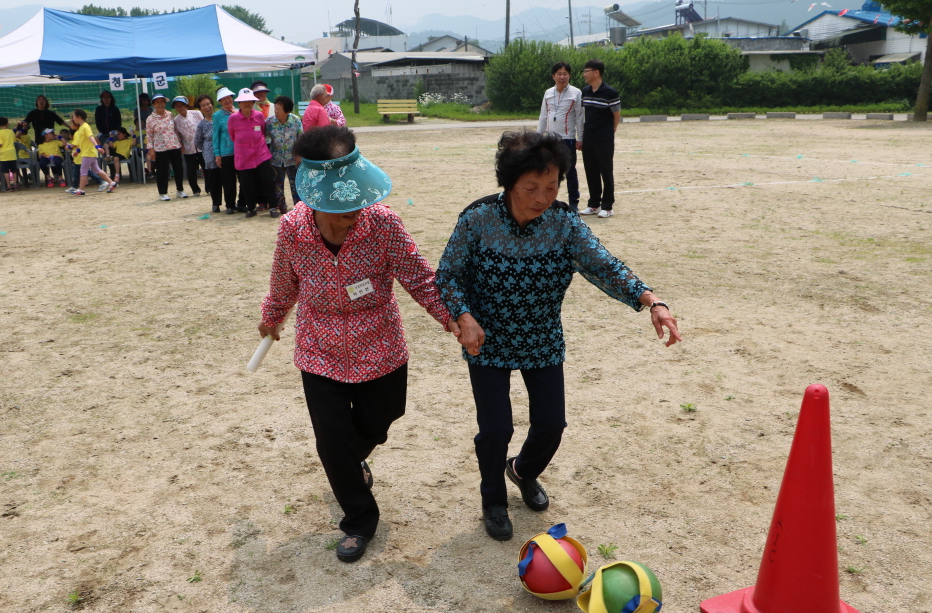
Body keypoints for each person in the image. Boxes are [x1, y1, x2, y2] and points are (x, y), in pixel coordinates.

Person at [435, 130, 681, 541]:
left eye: (551, 187)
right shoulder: (477, 219)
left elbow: (603, 265)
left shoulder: (564, 223)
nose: (541, 197)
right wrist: (463, 315)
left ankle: (522, 470)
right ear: (509, 183)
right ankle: (492, 498)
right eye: (531, 187)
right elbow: (448, 276)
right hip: (486, 340)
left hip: (541, 337)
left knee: (552, 424)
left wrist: (651, 300)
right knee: (495, 429)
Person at [258, 125, 457, 563]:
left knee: (382, 419)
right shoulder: (292, 229)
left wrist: (453, 319)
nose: (355, 211)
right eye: (343, 206)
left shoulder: (383, 223)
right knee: (331, 438)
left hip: (379, 346)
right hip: (319, 349)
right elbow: (283, 283)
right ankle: (358, 518)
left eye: (358, 200)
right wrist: (272, 317)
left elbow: (420, 278)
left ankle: (352, 461)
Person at [537, 61, 583, 211]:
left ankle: (573, 202)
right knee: (549, 171)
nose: (562, 77)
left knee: (570, 171)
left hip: (568, 138)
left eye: (565, 74)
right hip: (550, 139)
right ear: (553, 76)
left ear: (569, 75)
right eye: (559, 74)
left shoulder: (576, 93)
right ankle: (549, 201)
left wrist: (580, 138)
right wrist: (538, 137)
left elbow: (579, 118)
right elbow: (543, 116)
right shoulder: (548, 93)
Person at [579, 59, 620, 218]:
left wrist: (612, 129)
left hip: (604, 138)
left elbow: (616, 114)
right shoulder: (585, 91)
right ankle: (594, 204)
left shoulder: (610, 92)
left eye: (587, 71)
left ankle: (608, 206)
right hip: (588, 136)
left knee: (606, 171)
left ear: (596, 72)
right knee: (591, 171)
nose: (584, 74)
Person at [227, 88, 276, 218]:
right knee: (247, 183)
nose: (247, 103)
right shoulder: (233, 118)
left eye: (250, 101)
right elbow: (233, 136)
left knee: (267, 181)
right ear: (239, 104)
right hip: (243, 156)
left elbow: (263, 132)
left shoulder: (259, 116)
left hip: (261, 154)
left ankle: (272, 207)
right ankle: (251, 208)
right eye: (244, 101)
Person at [146, 93, 187, 201]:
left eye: (162, 101)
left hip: (174, 145)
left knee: (178, 168)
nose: (160, 104)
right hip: (160, 148)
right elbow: (149, 135)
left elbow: (175, 130)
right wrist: (151, 149)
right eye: (157, 102)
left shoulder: (170, 114)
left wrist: (180, 143)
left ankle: (180, 190)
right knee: (162, 170)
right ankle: (162, 192)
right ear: (153, 104)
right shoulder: (150, 118)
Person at [265, 95, 302, 215]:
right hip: (276, 159)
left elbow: (301, 139)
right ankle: (282, 207)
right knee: (277, 185)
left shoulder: (296, 121)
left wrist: (299, 154)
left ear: (287, 111)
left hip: (293, 160)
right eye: (275, 108)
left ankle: (299, 208)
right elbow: (264, 138)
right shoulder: (269, 122)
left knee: (295, 184)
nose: (276, 111)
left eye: (279, 109)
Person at [67, 108, 117, 195]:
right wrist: (78, 150)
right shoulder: (81, 128)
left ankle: (81, 190)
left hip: (88, 153)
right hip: (88, 152)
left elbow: (91, 138)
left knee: (83, 171)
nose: (73, 119)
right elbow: (84, 143)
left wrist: (97, 147)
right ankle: (112, 183)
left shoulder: (85, 127)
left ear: (78, 117)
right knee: (96, 169)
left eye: (74, 116)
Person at [212, 86, 242, 214]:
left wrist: (237, 115)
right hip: (226, 152)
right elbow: (216, 135)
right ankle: (230, 205)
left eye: (229, 98)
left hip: (241, 152)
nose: (227, 101)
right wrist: (217, 154)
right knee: (228, 181)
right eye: (223, 99)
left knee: (244, 179)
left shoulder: (240, 112)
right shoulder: (217, 116)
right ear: (220, 102)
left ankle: (242, 203)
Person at [193, 94, 221, 212]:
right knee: (214, 181)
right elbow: (198, 142)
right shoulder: (201, 125)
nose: (207, 107)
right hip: (210, 156)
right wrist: (207, 149)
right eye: (203, 105)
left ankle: (231, 203)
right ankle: (216, 203)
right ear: (200, 109)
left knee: (228, 179)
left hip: (225, 153)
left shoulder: (220, 118)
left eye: (208, 104)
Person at [172, 95, 202, 197]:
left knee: (206, 167)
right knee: (191, 170)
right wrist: (181, 145)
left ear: (186, 105)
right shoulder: (176, 120)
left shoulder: (196, 113)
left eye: (182, 105)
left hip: (201, 146)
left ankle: (209, 188)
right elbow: (177, 134)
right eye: (177, 106)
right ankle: (195, 190)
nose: (180, 107)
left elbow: (203, 125)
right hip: (188, 147)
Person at [0, 117, 18, 191]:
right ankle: (15, 184)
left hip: (4, 154)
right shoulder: (11, 132)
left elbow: (0, 144)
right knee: (14, 170)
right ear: (7, 124)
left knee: (6, 171)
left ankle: (8, 185)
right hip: (12, 152)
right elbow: (14, 141)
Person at [133, 92, 154, 176]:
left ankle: (151, 170)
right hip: (141, 128)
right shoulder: (136, 109)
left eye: (146, 101)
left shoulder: (150, 109)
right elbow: (136, 120)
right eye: (143, 101)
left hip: (149, 128)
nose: (145, 102)